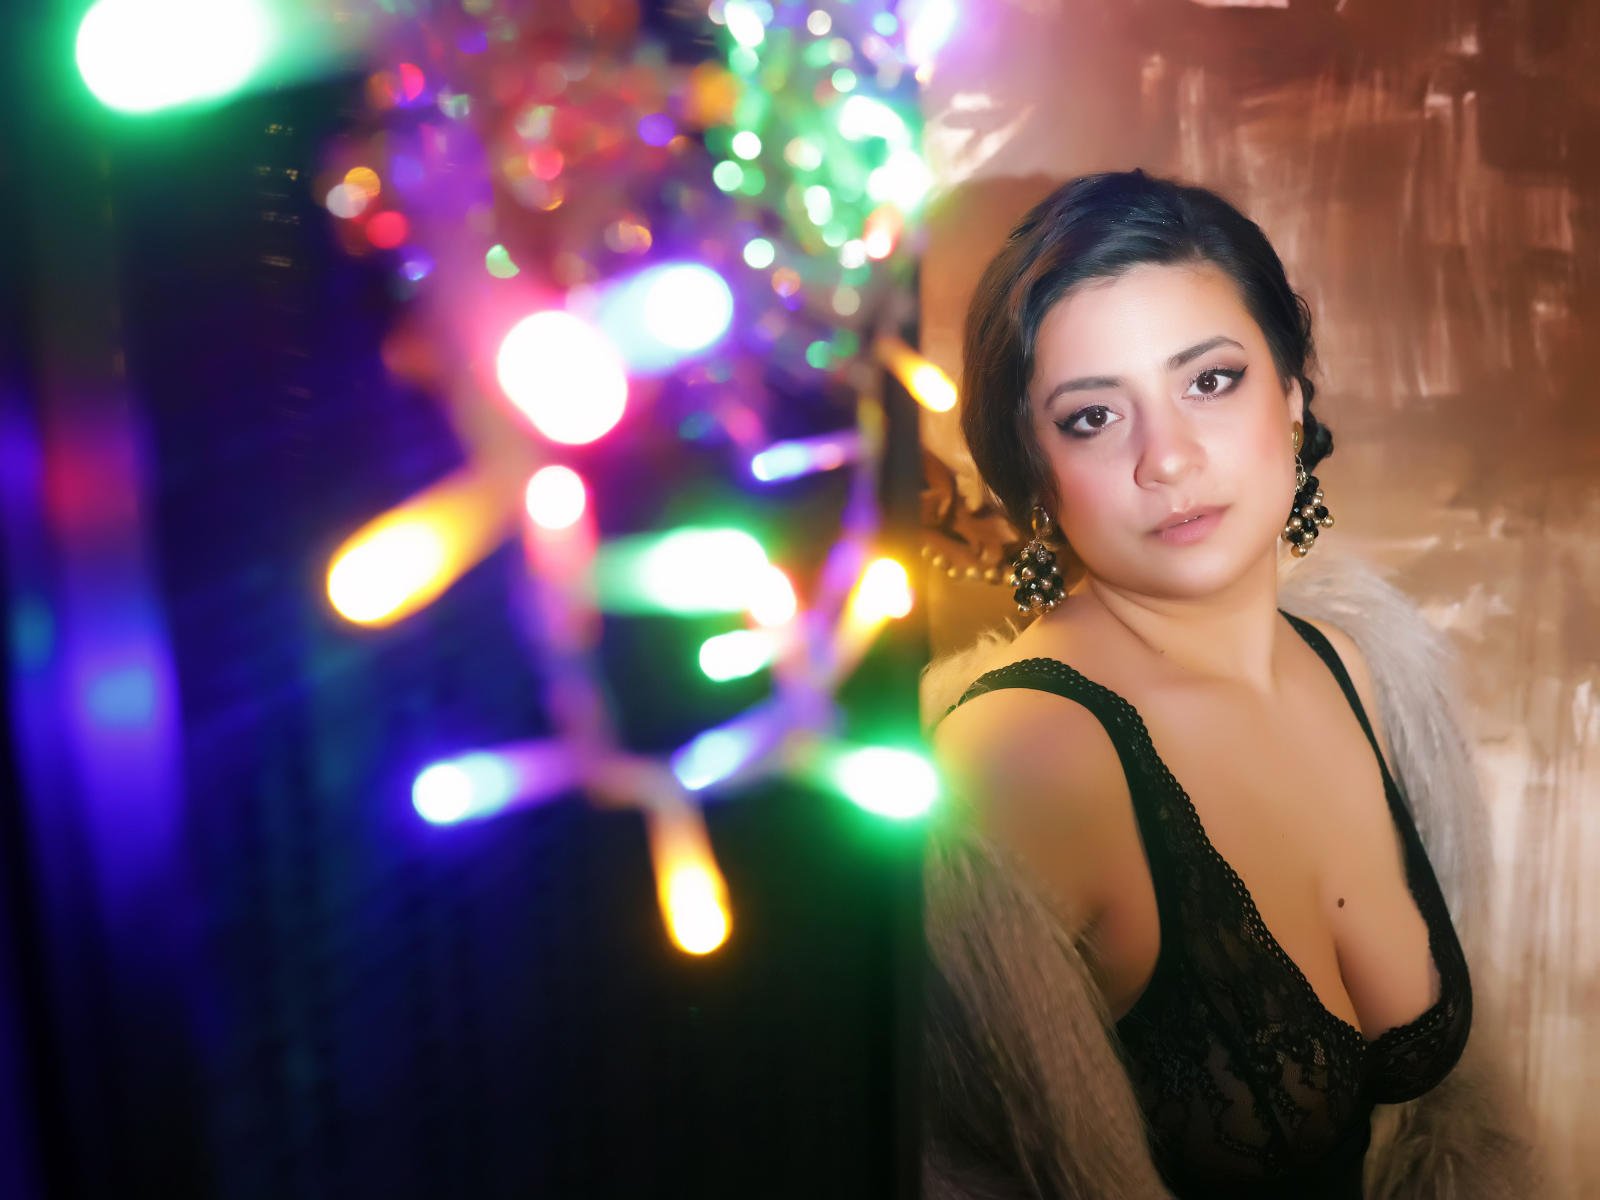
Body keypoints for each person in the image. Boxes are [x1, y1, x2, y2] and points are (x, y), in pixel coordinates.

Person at [920, 170, 1543, 1199]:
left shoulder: (1362, 669)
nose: (1167, 459)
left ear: (1291, 397)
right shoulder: (1023, 759)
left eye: (1209, 381)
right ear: (1035, 475)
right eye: (1092, 417)